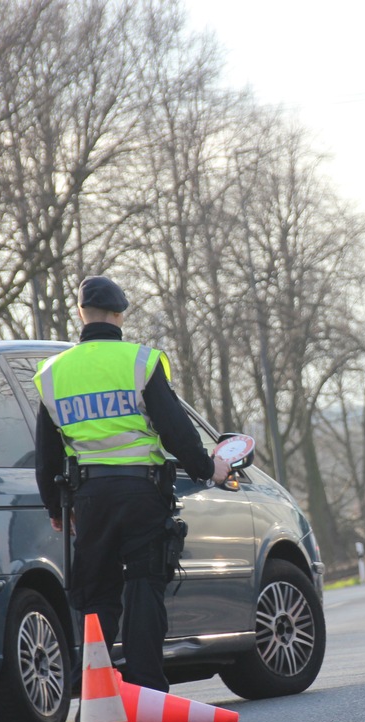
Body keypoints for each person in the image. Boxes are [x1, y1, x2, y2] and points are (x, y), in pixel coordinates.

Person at [34, 275, 231, 692]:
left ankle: (97, 692)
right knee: (144, 586)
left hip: (89, 499)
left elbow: (47, 452)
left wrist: (55, 508)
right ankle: (147, 689)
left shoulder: (53, 373)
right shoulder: (141, 361)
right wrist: (206, 467)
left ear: (80, 314)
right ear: (120, 315)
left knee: (96, 595)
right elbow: (176, 428)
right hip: (141, 493)